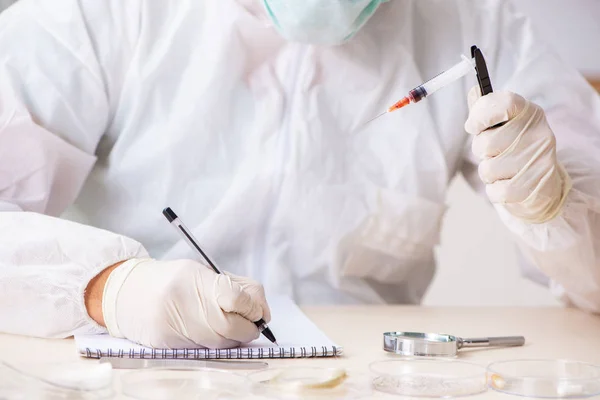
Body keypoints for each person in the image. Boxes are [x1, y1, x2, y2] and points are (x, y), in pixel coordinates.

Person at [1, 0, 599, 350]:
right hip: (134, 367)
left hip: (366, 376)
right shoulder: (95, 15)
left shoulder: (479, 21)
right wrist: (107, 288)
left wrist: (554, 204)